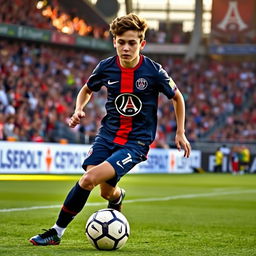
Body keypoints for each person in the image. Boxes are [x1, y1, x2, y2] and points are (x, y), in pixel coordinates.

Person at [29, 13, 191, 246]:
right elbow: (86, 89)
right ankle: (118, 196)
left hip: (135, 142)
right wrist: (78, 110)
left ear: (141, 44)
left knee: (88, 179)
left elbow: (177, 98)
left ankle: (56, 232)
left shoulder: (153, 71)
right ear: (114, 41)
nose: (126, 48)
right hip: (107, 136)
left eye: (132, 43)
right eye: (121, 42)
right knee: (106, 192)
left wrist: (180, 132)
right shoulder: (106, 67)